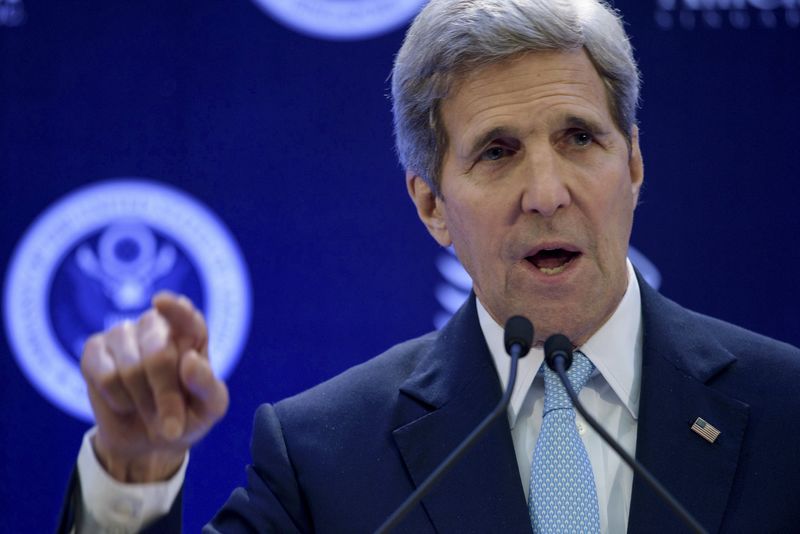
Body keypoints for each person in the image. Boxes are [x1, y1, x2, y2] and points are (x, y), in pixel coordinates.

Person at [61, 0, 800, 532]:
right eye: (497, 151)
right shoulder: (326, 457)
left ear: (633, 163)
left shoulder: (786, 413)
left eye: (579, 138)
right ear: (431, 206)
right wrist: (132, 480)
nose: (547, 193)